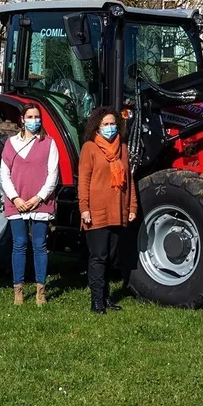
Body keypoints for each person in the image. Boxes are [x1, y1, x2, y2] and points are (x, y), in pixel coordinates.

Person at [77, 107, 137, 314]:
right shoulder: (90, 148)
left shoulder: (122, 148)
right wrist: (84, 208)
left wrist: (132, 206)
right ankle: (97, 301)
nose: (110, 128)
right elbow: (84, 181)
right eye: (105, 124)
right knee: (98, 256)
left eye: (113, 124)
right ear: (97, 127)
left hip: (117, 209)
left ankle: (106, 297)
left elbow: (129, 180)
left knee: (111, 257)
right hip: (96, 210)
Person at [0, 103, 59, 305]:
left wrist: (39, 198)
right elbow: (4, 174)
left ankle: (40, 291)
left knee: (40, 245)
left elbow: (53, 174)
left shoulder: (49, 143)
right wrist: (16, 198)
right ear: (22, 120)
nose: (35, 121)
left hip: (39, 202)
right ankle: (18, 291)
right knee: (19, 244)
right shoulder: (10, 143)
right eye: (30, 117)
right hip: (17, 202)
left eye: (37, 117)